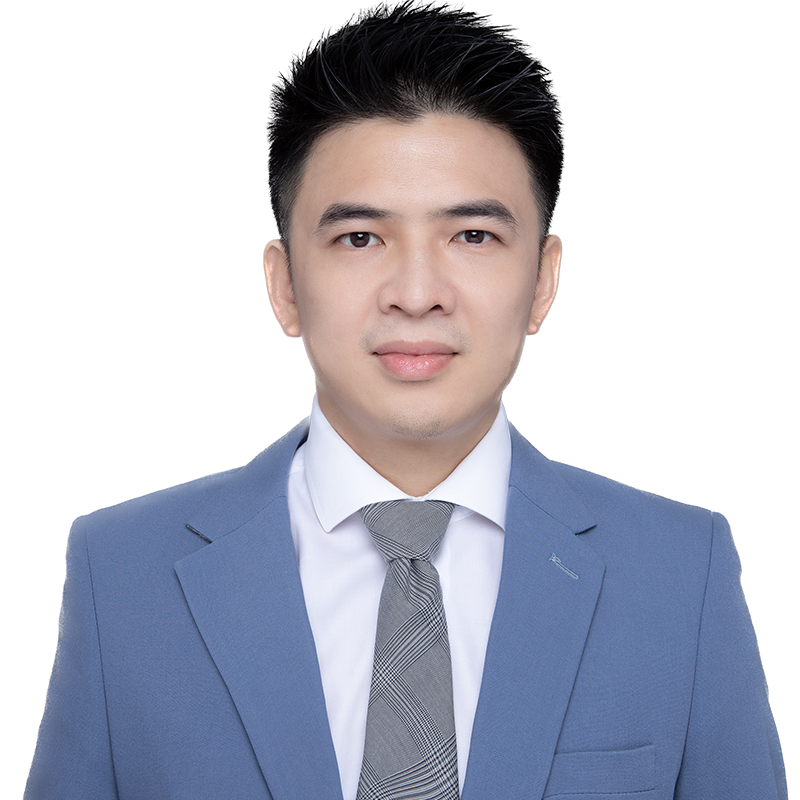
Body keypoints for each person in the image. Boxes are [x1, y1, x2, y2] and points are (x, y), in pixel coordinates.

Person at [25, 3, 786, 799]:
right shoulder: (122, 576)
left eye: (472, 236)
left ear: (543, 280)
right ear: (284, 286)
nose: (417, 294)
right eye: (360, 238)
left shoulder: (679, 575)